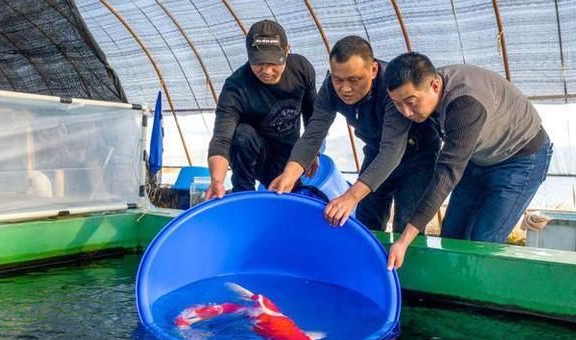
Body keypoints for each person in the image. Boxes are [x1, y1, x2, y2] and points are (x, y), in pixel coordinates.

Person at [384, 52, 554, 269]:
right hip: (478, 157)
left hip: (521, 158)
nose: (406, 112)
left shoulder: (466, 104)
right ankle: (451, 290)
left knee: (482, 242)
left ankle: (482, 297)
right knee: (452, 233)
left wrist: (404, 240)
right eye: (398, 104)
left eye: (411, 102)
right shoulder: (425, 93)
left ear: (435, 86)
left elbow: (446, 174)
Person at [269, 36, 440, 232]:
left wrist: (350, 196)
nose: (345, 88)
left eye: (354, 80)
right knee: (366, 220)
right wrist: (289, 175)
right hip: (376, 152)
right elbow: (313, 134)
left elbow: (392, 150)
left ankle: (405, 262)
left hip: (416, 157)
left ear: (373, 70)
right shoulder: (330, 90)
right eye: (338, 79)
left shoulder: (391, 88)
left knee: (406, 223)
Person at [205, 20, 316, 200]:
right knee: (242, 134)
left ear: (287, 50)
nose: (267, 71)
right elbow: (221, 139)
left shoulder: (301, 70)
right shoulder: (236, 86)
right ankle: (243, 195)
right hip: (254, 158)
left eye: (274, 63)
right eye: (258, 63)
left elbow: (313, 118)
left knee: (292, 204)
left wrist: (311, 154)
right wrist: (217, 180)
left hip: (290, 159)